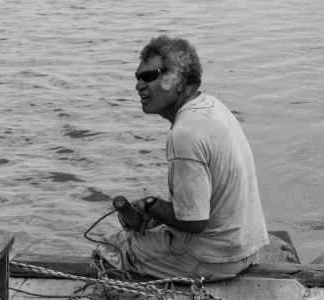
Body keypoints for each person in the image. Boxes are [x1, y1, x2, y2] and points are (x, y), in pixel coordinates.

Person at [92, 35, 269, 282]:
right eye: (138, 78)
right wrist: (154, 214)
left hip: (214, 259)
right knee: (154, 228)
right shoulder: (213, 106)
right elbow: (201, 207)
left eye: (149, 76)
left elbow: (195, 222)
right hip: (248, 248)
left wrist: (151, 204)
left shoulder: (185, 134)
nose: (139, 86)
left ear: (179, 80)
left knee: (107, 249)